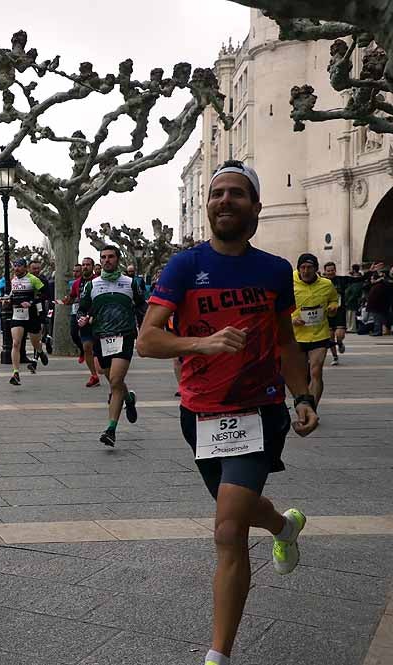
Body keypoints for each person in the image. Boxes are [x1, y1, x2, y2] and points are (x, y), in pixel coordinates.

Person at [139, 160, 318, 665]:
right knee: (235, 511)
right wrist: (205, 342)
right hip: (199, 413)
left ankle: (218, 655)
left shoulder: (274, 271)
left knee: (227, 529)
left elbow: (285, 342)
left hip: (258, 410)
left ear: (256, 207)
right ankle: (283, 525)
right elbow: (149, 340)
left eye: (236, 194)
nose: (223, 201)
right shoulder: (182, 266)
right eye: (217, 193)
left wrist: (302, 397)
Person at [77, 245, 145, 446]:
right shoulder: (92, 286)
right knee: (108, 375)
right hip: (101, 338)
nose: (107, 260)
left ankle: (111, 429)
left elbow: (143, 306)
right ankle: (129, 399)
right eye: (103, 257)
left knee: (115, 380)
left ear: (118, 259)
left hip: (124, 336)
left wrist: (147, 328)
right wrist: (82, 319)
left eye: (111, 257)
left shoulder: (130, 283)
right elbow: (82, 310)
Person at [292, 253, 338, 409]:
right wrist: (291, 319)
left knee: (316, 372)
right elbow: (278, 306)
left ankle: (312, 408)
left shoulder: (326, 284)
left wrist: (333, 306)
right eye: (302, 267)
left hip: (319, 334)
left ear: (316, 269)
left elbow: (333, 298)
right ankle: (303, 403)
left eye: (309, 267)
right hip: (296, 337)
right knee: (302, 377)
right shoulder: (288, 283)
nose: (305, 271)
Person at [5, 258, 48, 386]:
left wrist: (30, 303)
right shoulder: (13, 280)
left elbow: (44, 294)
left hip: (32, 315)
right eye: (15, 266)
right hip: (17, 315)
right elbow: (11, 296)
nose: (16, 269)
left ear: (25, 268)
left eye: (19, 266)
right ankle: (16, 373)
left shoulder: (33, 279)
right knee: (16, 343)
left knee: (35, 342)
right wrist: (7, 301)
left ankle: (40, 351)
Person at [67, 257, 101, 387]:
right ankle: (93, 375)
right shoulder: (76, 283)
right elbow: (72, 297)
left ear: (93, 267)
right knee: (87, 346)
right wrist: (66, 300)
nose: (85, 267)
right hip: (83, 317)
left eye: (88, 265)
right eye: (83, 265)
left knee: (98, 348)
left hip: (98, 318)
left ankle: (103, 367)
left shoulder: (98, 281)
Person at [321, 262, 346, 364]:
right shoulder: (321, 282)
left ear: (335, 270)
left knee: (339, 334)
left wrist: (371, 272)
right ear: (325, 271)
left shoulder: (341, 280)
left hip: (339, 311)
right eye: (328, 271)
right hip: (327, 312)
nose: (330, 272)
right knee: (330, 337)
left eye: (332, 270)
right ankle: (335, 357)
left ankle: (340, 343)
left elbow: (357, 279)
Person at [366, 269, 391, 336]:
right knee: (381, 319)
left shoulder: (379, 286)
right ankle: (380, 331)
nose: (371, 280)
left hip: (377, 306)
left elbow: (375, 298)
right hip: (378, 306)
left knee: (377, 320)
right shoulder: (378, 285)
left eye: (372, 279)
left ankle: (377, 331)